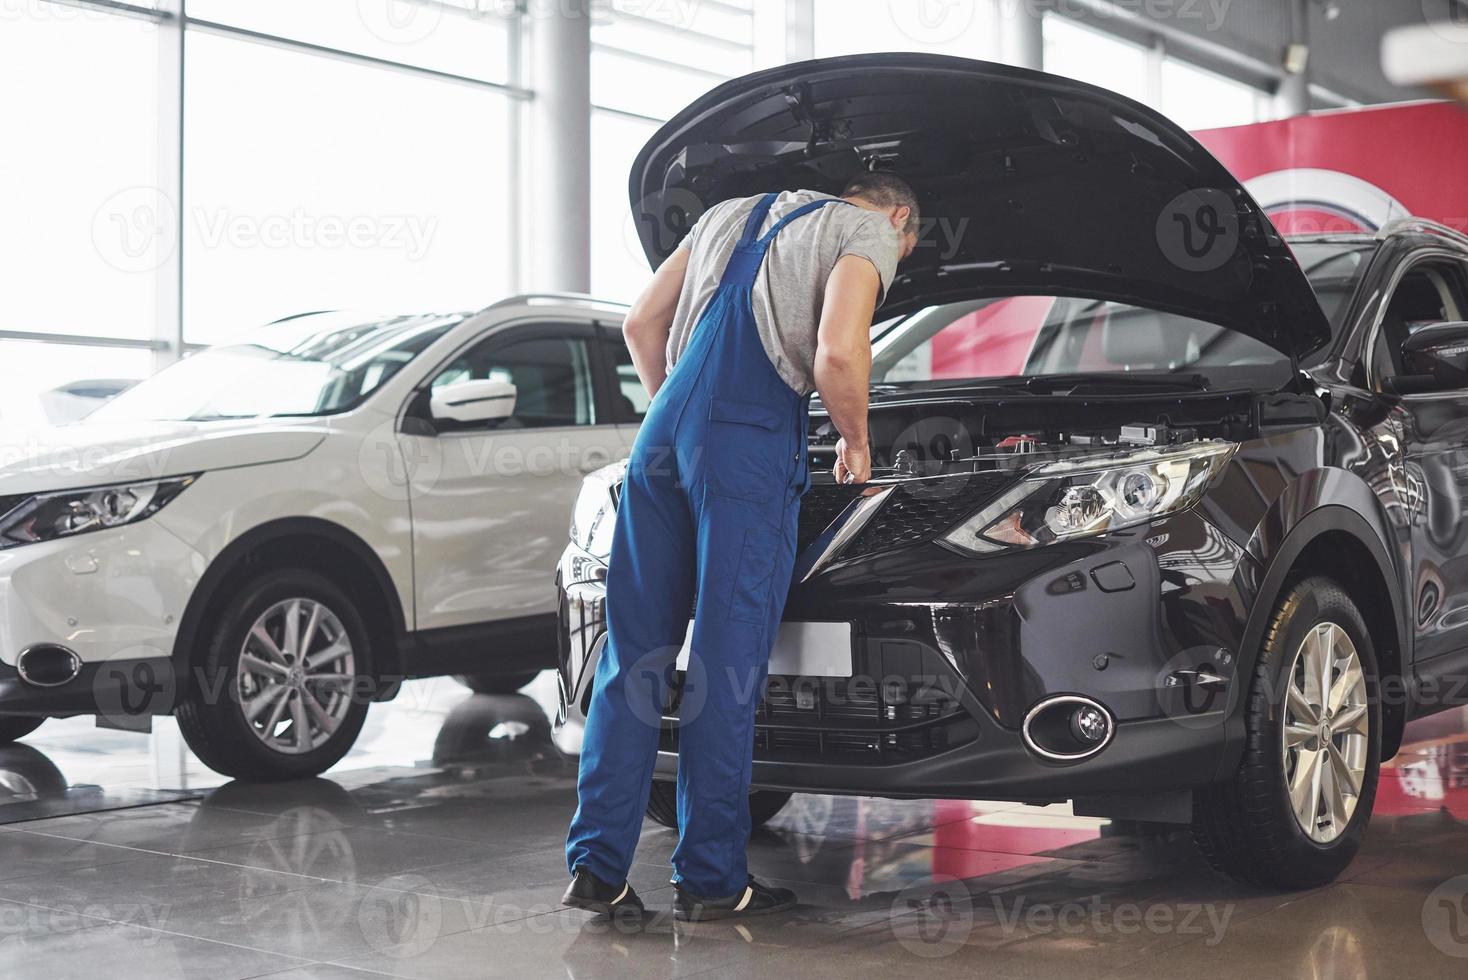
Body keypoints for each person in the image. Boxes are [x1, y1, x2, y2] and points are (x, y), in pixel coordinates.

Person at [563, 173, 920, 921]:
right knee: (725, 665)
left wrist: (680, 419)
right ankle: (712, 879)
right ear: (898, 214)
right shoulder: (869, 230)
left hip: (662, 434)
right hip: (747, 442)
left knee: (634, 655)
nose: (896, 258)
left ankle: (596, 867)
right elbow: (836, 355)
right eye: (905, 248)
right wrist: (856, 442)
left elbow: (640, 325)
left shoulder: (726, 213)